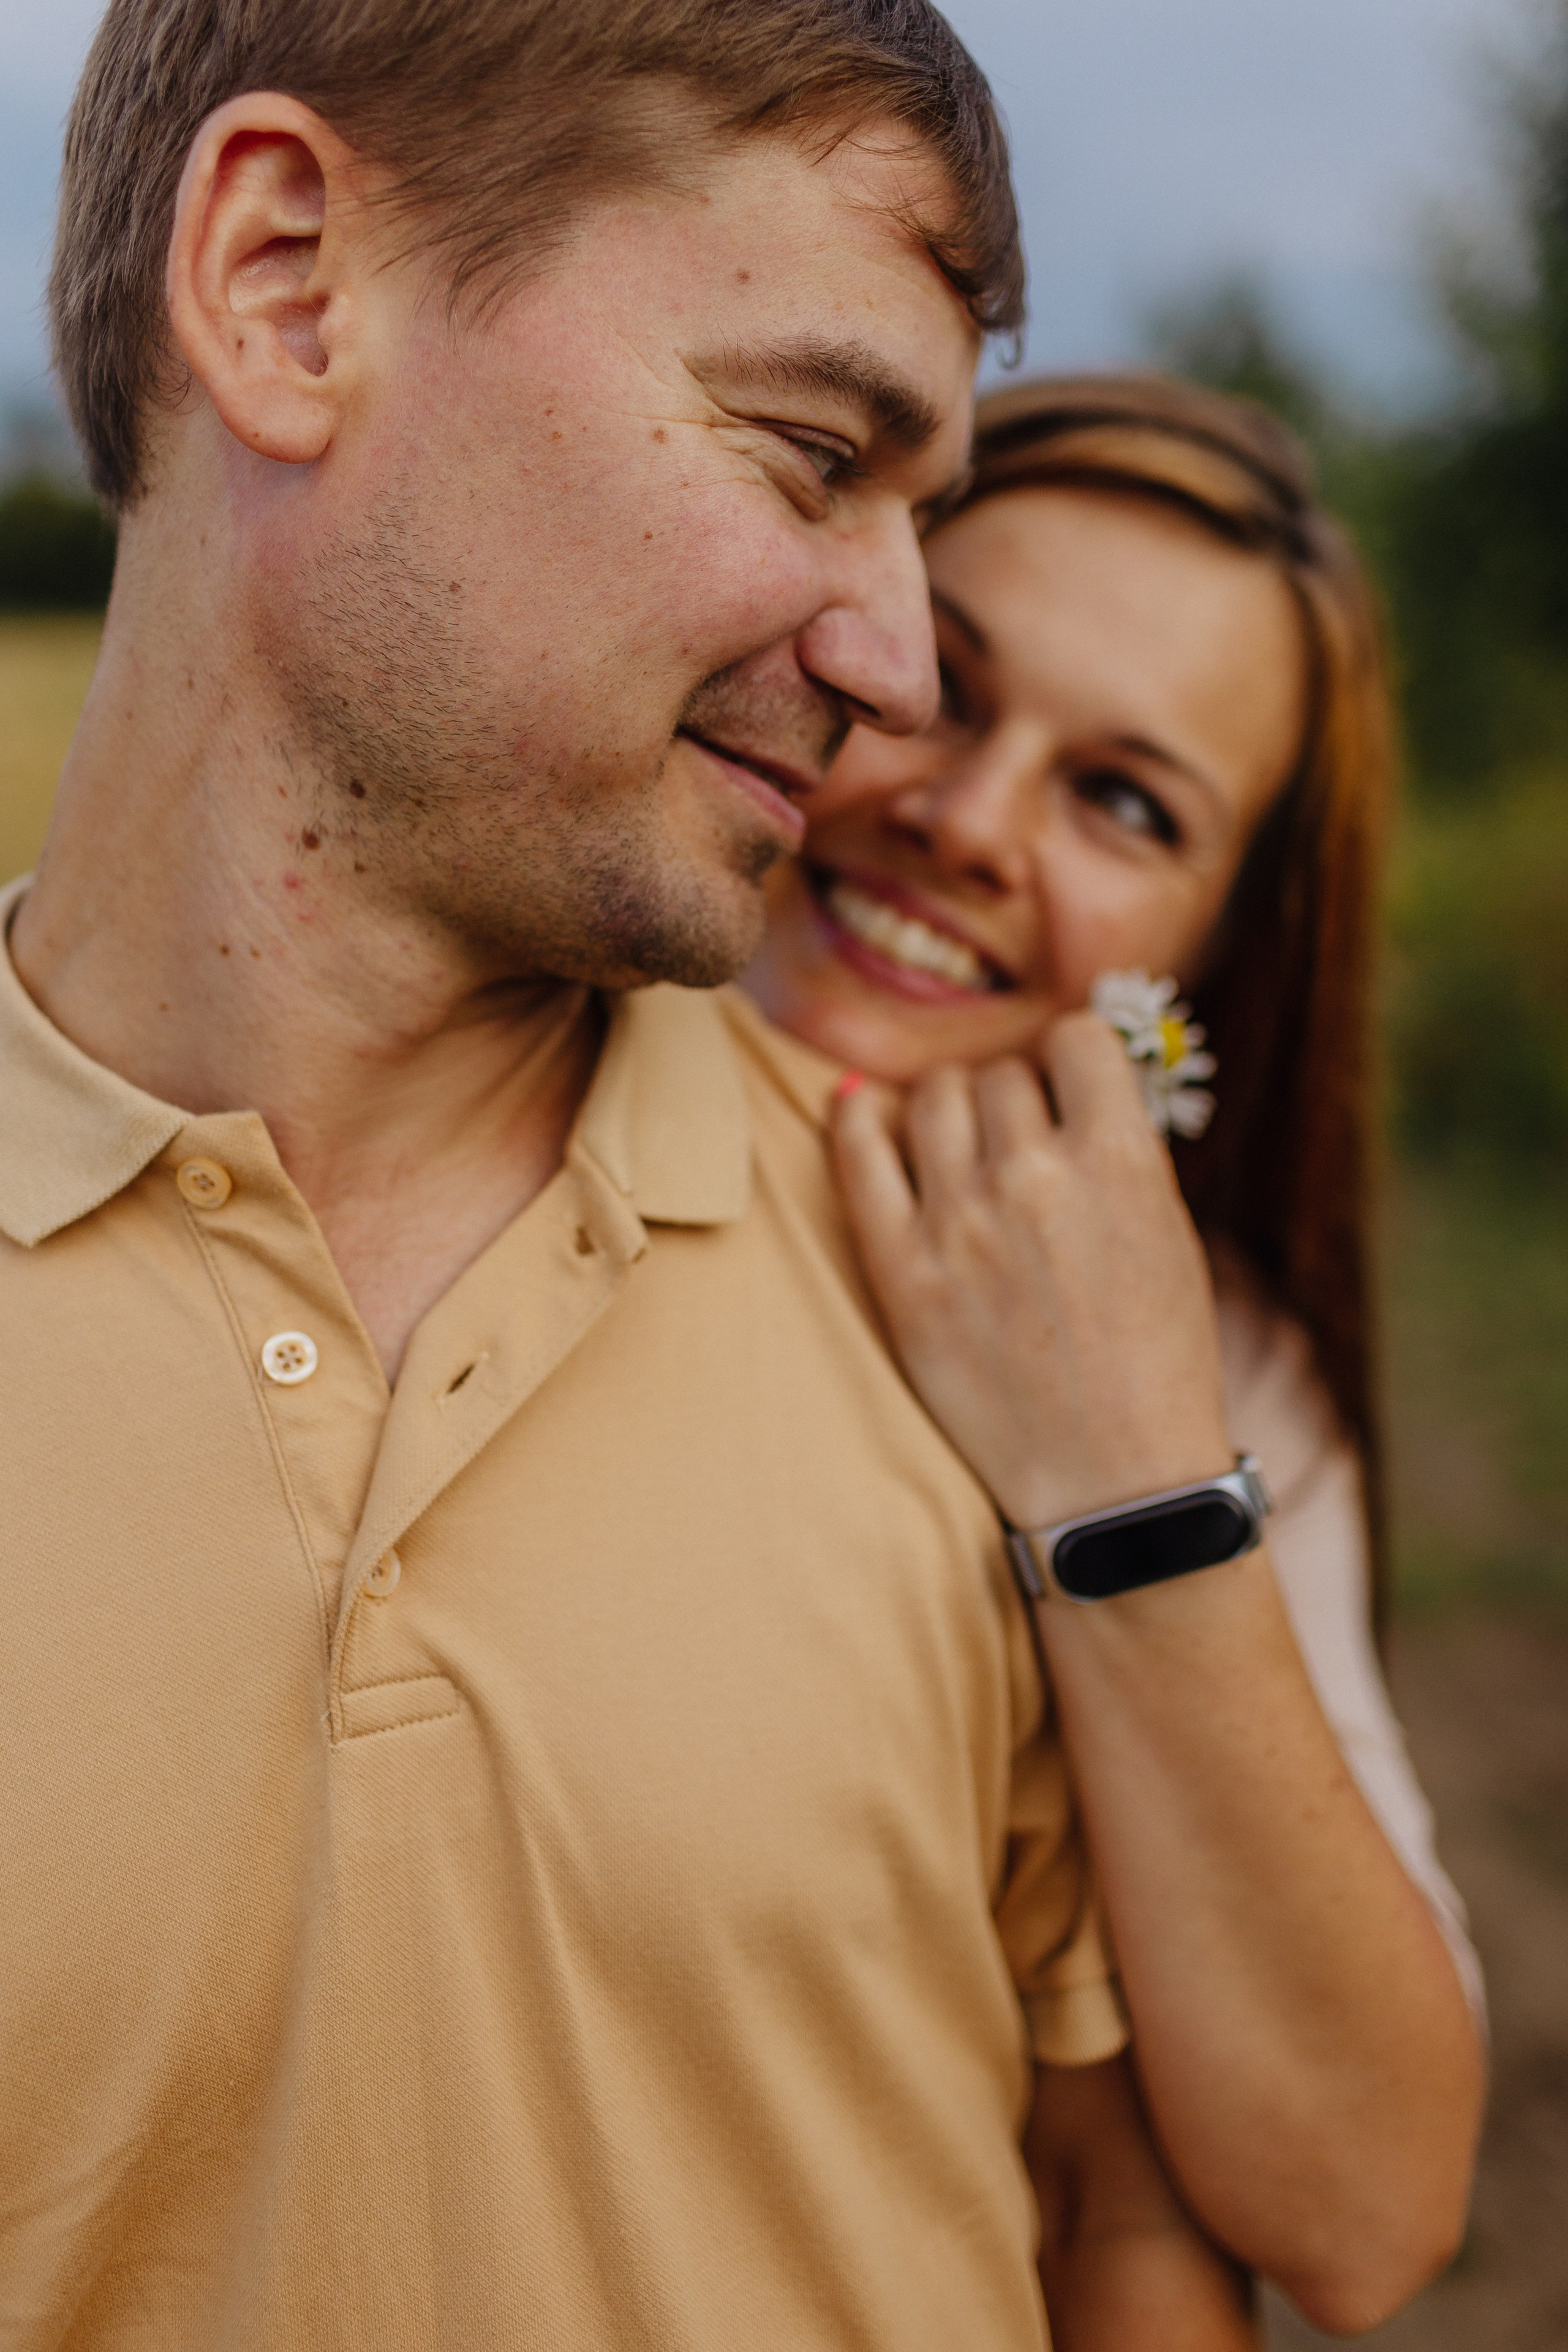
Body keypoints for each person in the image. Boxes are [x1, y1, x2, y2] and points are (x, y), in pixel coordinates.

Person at [0, 7, 1287, 2348]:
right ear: (289, 287)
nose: (900, 661)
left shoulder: (975, 1308)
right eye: (812, 452)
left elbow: (1145, 2219)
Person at [744, 372, 1488, 2329]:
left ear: (1216, 952)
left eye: (1124, 801)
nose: (968, 823)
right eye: (949, 686)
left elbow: (1360, 2208)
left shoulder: (1227, 1370)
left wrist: (1125, 1468)